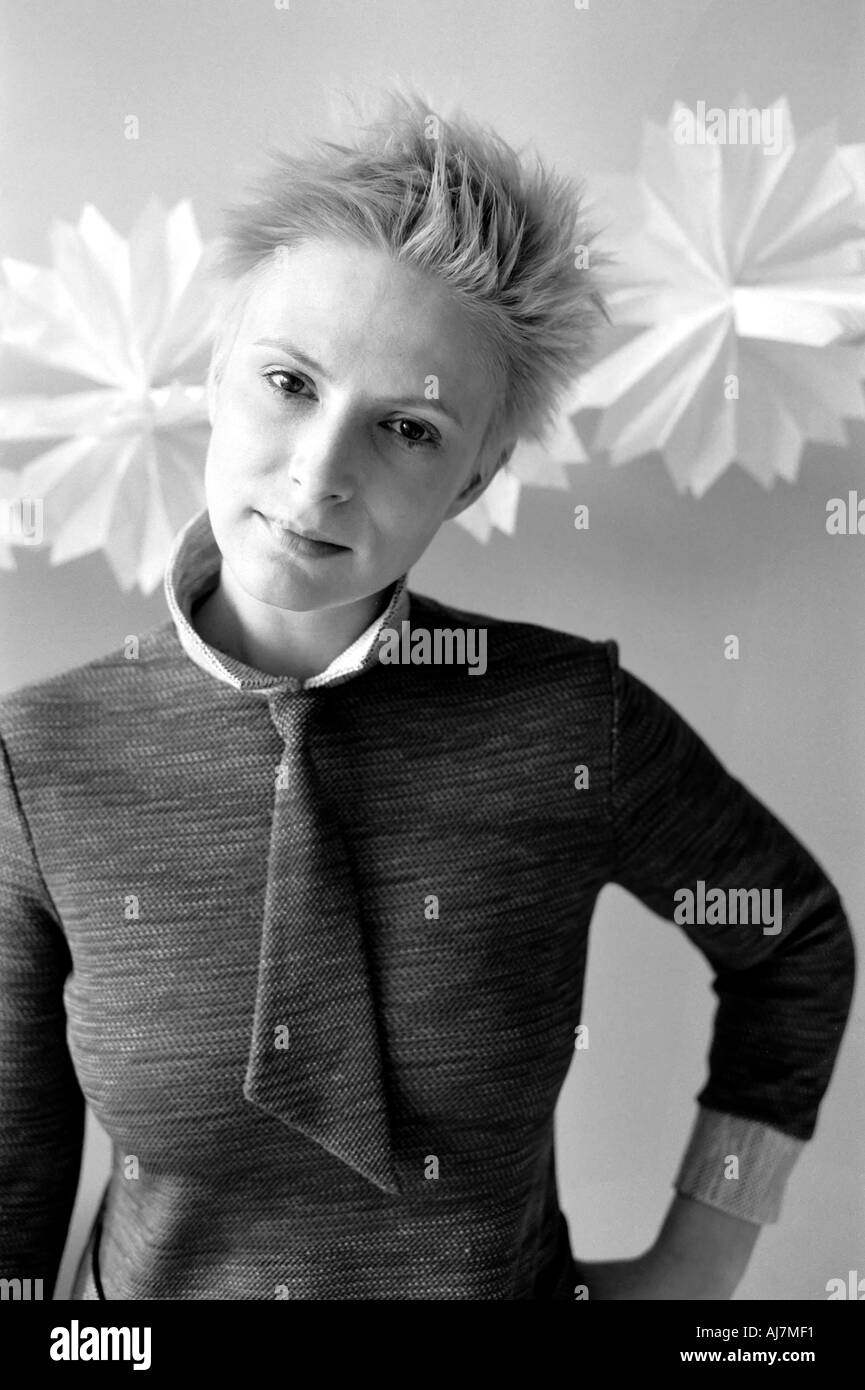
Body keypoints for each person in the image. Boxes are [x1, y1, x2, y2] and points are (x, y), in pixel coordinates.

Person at [0, 91, 854, 1301]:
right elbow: (12, 1194)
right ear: (213, 375)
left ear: (472, 480)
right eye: (289, 383)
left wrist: (697, 1263)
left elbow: (793, 941)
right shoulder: (41, 756)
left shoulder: (569, 721)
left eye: (406, 428)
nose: (318, 472)